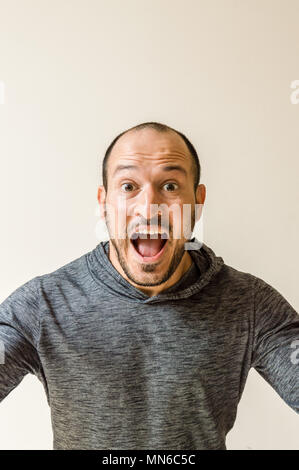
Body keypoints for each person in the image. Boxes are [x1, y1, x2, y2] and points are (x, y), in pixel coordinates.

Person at [0, 121, 298, 450]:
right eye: (128, 187)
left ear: (197, 202)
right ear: (104, 203)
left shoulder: (249, 305)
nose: (148, 207)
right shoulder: (42, 306)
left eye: (170, 186)